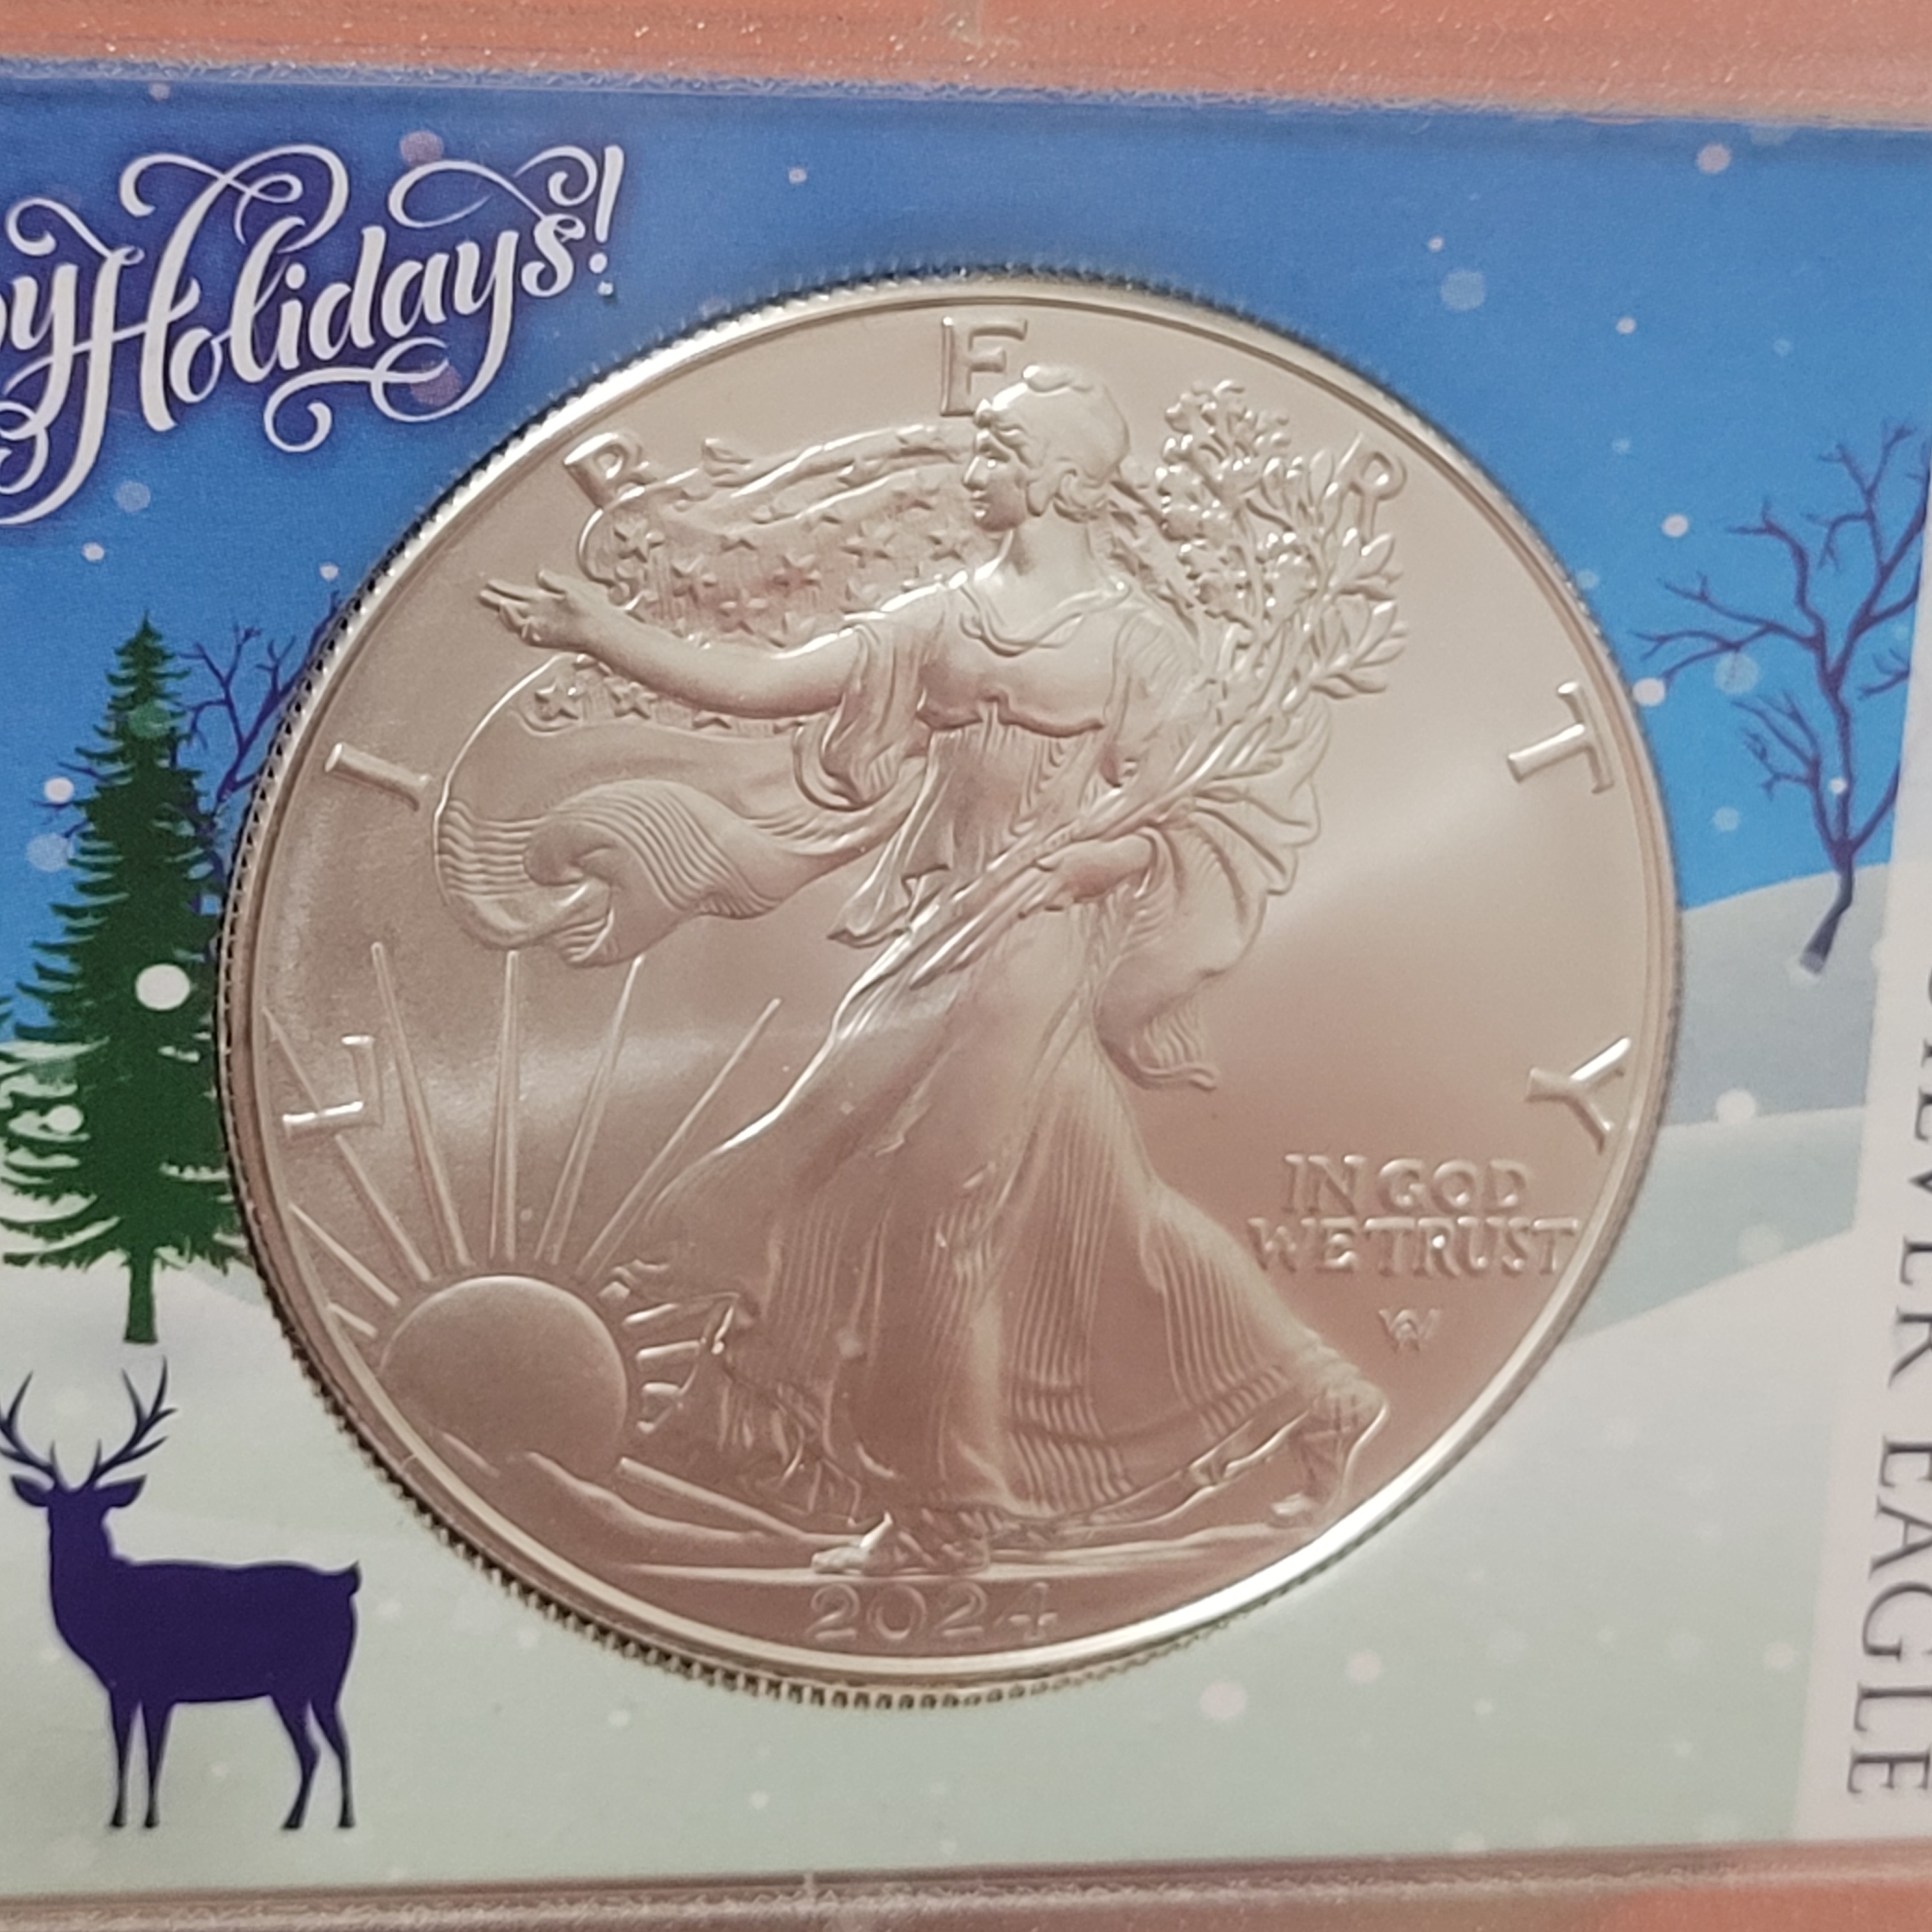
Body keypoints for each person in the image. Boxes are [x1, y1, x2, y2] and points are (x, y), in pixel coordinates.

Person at [480, 365, 1382, 1575]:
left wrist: (1098, 859)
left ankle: (946, 1510)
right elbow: (766, 686)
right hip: (943, 931)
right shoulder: (941, 618)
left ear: (1060, 481)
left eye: (1001, 452)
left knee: (939, 1201)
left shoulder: (1138, 643)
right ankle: (1319, 1401)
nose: (977, 469)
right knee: (1086, 1204)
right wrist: (605, 634)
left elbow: (1204, 813)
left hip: (1040, 940)